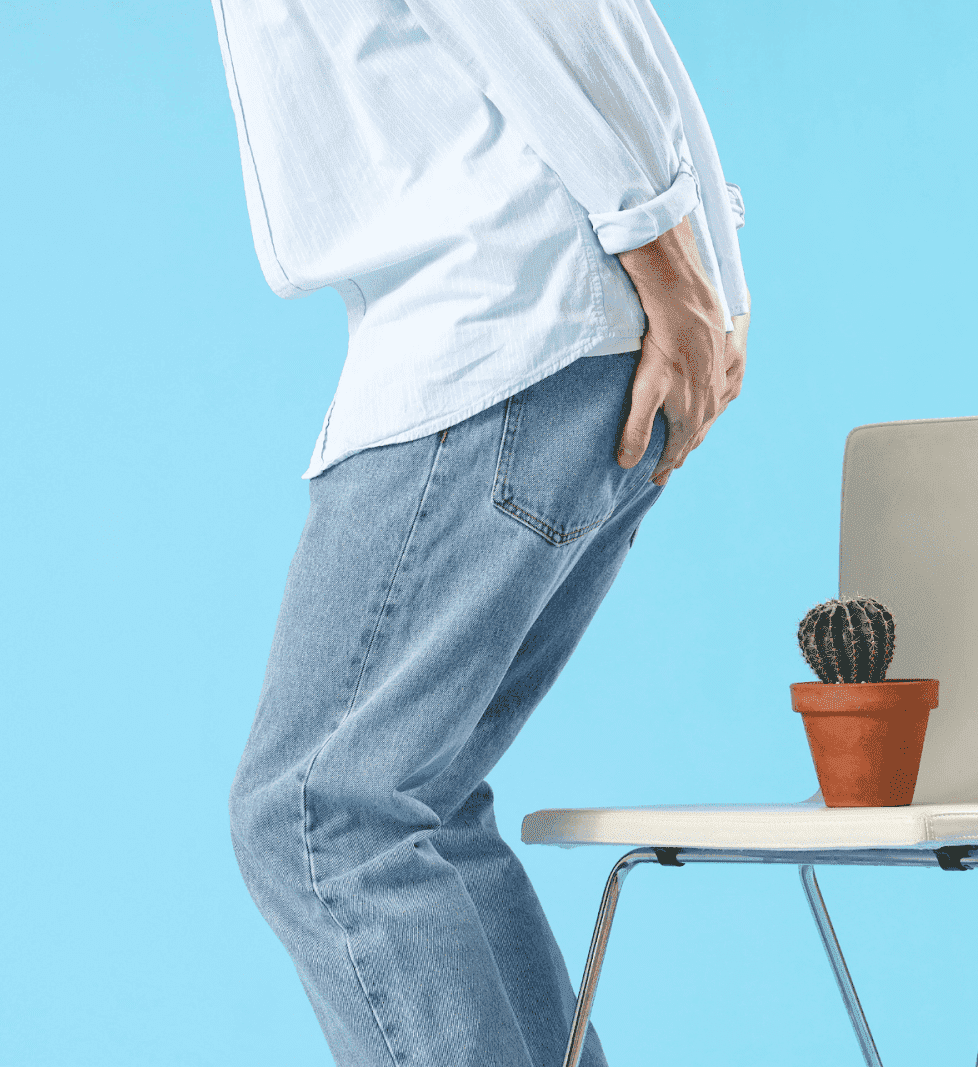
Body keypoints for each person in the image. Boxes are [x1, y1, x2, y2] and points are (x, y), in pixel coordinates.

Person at [208, 2, 749, 1065]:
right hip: (544, 327)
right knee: (410, 804)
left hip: (502, 327)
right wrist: (695, 266)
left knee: (323, 813)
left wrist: (677, 259)